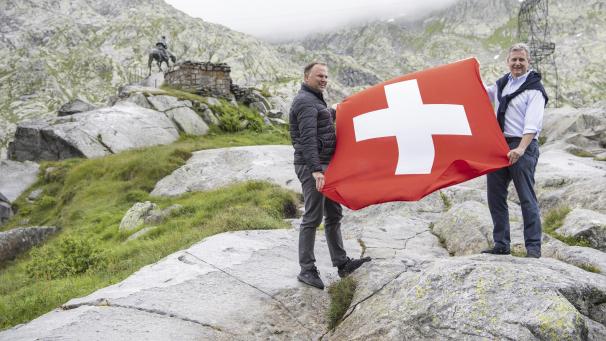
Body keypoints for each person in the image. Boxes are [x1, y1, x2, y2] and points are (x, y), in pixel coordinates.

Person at [289, 62, 371, 289]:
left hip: (328, 166)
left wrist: (339, 109)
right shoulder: (305, 102)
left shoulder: (315, 100)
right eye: (319, 76)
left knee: (334, 214)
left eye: (326, 76)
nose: (324, 79)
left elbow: (322, 121)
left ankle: (342, 262)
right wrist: (316, 170)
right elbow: (307, 139)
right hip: (313, 168)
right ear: (307, 77)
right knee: (313, 217)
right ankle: (306, 269)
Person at [482, 43, 548, 258]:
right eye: (514, 59)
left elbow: (533, 123)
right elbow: (482, 94)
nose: (517, 63)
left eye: (522, 60)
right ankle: (501, 244)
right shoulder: (502, 84)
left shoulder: (534, 89)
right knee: (495, 196)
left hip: (523, 147)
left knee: (526, 197)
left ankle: (533, 248)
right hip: (499, 146)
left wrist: (521, 148)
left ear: (528, 63)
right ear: (508, 62)